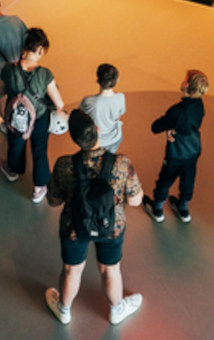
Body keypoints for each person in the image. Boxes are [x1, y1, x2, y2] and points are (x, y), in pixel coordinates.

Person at [44, 110, 145, 326]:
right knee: (110, 269)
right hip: (112, 226)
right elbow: (136, 201)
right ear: (98, 130)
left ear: (74, 139)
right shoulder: (121, 163)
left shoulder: (64, 165)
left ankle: (64, 310)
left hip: (74, 225)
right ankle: (117, 310)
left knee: (72, 269)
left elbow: (52, 201)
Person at [0, 28, 65, 202]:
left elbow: (1, 92)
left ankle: (13, 170)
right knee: (39, 150)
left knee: (15, 144)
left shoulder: (8, 70)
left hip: (15, 116)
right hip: (39, 117)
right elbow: (59, 103)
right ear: (40, 50)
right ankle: (39, 188)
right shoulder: (45, 74)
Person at [146, 69, 208, 223]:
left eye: (184, 79)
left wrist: (169, 127)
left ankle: (158, 209)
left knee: (165, 179)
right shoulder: (199, 104)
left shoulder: (178, 111)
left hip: (176, 154)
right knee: (188, 180)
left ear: (187, 85)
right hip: (193, 151)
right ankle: (183, 209)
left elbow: (155, 127)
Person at [79, 64, 126, 154]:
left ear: (97, 81)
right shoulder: (121, 97)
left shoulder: (88, 101)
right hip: (115, 138)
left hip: (94, 141)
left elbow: (81, 115)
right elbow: (121, 113)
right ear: (117, 80)